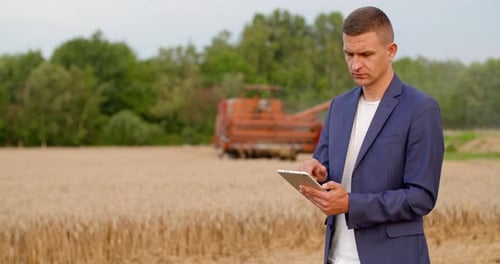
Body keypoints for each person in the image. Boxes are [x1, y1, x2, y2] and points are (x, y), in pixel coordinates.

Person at [298, 6, 444, 264]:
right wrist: (317, 174)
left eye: (365, 54)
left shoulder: (420, 109)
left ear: (391, 51)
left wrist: (351, 204)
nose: (355, 64)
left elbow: (421, 197)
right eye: (349, 54)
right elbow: (328, 172)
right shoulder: (339, 106)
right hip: (336, 257)